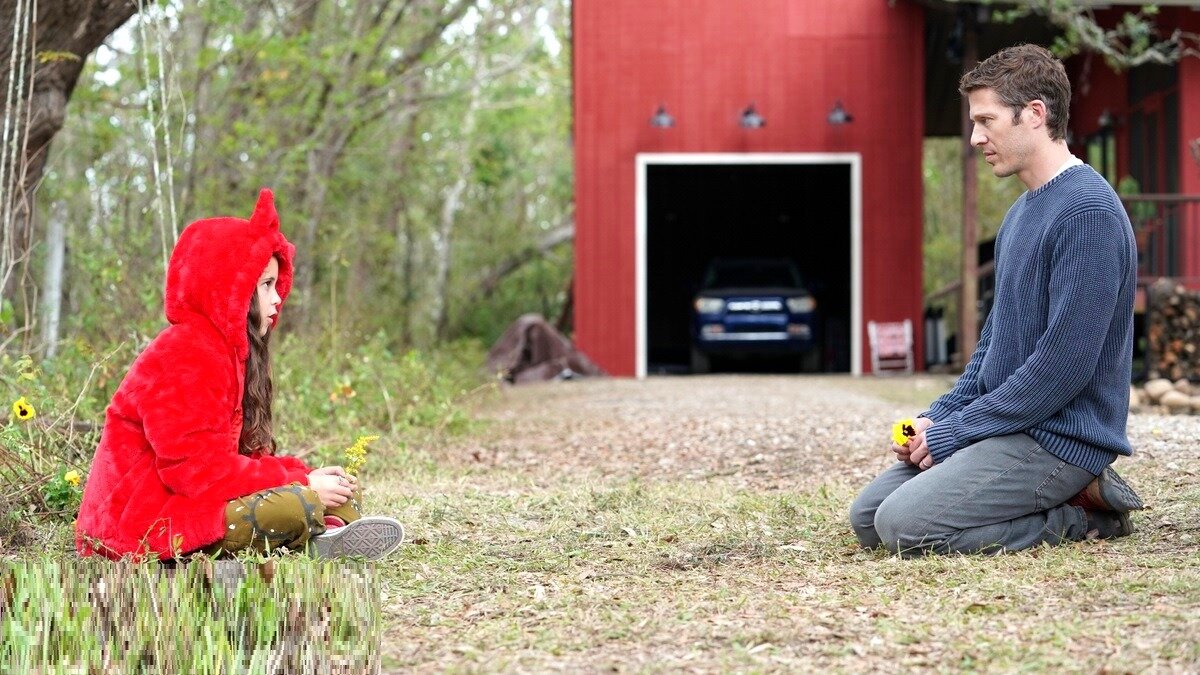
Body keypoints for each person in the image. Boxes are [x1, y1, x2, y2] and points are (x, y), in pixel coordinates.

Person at [849, 44, 1144, 557]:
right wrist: (939, 417)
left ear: (1035, 114)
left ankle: (1083, 515)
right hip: (1012, 427)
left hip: (1058, 440)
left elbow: (1062, 369)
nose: (975, 137)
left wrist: (957, 433)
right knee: (870, 518)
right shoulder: (1020, 215)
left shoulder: (1088, 214)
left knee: (905, 526)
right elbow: (993, 347)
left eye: (986, 120)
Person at [76, 189, 404, 561]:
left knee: (338, 490)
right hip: (139, 525)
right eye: (266, 286)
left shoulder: (231, 354)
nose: (278, 297)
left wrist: (305, 473)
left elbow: (244, 456)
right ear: (230, 289)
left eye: (276, 284)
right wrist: (302, 484)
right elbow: (195, 474)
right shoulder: (186, 352)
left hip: (185, 502)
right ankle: (315, 533)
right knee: (295, 504)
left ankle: (327, 532)